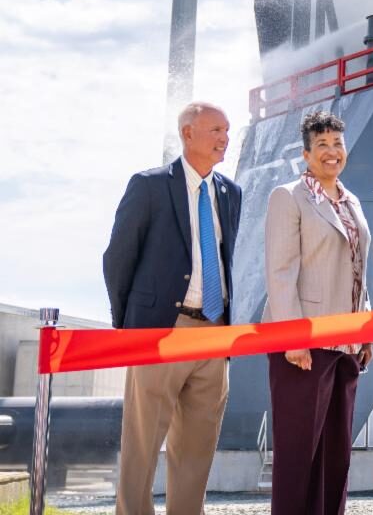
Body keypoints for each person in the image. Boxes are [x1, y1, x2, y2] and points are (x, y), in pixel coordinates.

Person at [103, 101, 242, 515]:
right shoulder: (148, 185)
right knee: (142, 445)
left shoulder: (230, 192)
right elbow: (118, 259)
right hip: (160, 330)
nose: (225, 138)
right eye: (215, 129)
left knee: (198, 447)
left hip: (215, 332)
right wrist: (130, 329)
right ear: (187, 133)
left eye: (227, 130)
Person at [262, 111, 372, 514]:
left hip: (346, 346)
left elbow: (360, 268)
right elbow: (280, 270)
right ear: (307, 153)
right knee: (297, 459)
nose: (331, 152)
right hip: (303, 349)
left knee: (335, 457)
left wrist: (367, 330)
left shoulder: (351, 200)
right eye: (322, 145)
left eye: (337, 144)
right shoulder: (288, 197)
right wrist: (293, 338)